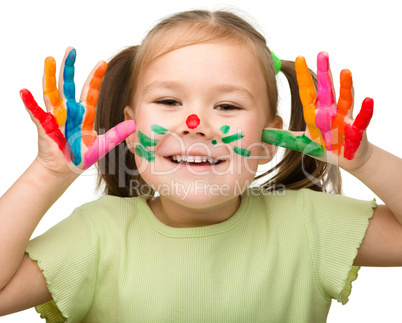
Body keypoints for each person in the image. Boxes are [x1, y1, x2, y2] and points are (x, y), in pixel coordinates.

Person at [0, 9, 401, 322]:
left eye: (227, 106)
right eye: (169, 102)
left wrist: (363, 161)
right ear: (131, 128)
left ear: (270, 134)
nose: (195, 125)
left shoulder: (308, 224)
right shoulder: (97, 234)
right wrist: (49, 173)